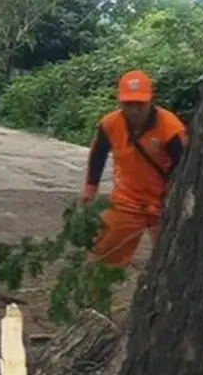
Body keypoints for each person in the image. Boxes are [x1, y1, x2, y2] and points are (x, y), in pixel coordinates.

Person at [79, 70, 187, 267]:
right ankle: (97, 292)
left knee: (173, 261)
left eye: (140, 104)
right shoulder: (110, 124)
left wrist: (174, 198)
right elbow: (98, 154)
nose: (135, 110)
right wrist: (90, 187)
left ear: (150, 101)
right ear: (120, 102)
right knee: (103, 258)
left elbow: (184, 165)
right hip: (126, 201)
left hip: (163, 203)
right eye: (129, 104)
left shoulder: (170, 127)